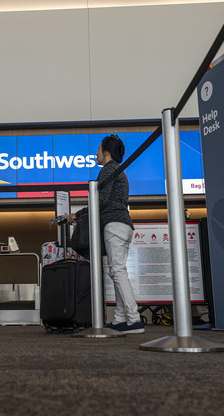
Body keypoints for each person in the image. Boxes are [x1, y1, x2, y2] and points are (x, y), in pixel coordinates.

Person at [68, 135, 143, 334]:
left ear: (107, 152)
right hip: (124, 225)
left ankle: (134, 319)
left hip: (114, 225)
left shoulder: (107, 170)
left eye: (99, 150)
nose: (96, 154)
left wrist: (77, 215)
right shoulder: (120, 171)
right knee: (117, 270)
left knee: (117, 271)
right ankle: (119, 318)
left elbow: (100, 201)